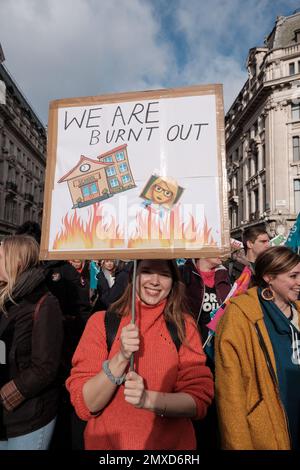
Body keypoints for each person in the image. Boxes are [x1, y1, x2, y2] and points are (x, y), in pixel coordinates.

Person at [66, 259, 214, 450]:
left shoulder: (184, 326)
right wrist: (121, 357)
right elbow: (86, 405)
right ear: (133, 276)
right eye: (146, 271)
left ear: (173, 282)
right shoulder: (100, 323)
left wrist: (147, 400)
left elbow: (198, 400)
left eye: (164, 274)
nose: (155, 281)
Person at [215, 246, 300, 450]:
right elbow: (230, 396)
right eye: (293, 276)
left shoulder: (298, 311)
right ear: (269, 277)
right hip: (266, 435)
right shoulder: (239, 316)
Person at [0, 235, 63, 450]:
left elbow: (45, 367)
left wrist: (5, 394)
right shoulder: (5, 296)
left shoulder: (44, 302)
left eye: (0, 257)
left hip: (29, 417)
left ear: (15, 262)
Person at [180, 257, 231, 344]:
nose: (221, 252)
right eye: (215, 247)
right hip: (191, 342)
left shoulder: (224, 274)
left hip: (218, 343)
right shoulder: (184, 272)